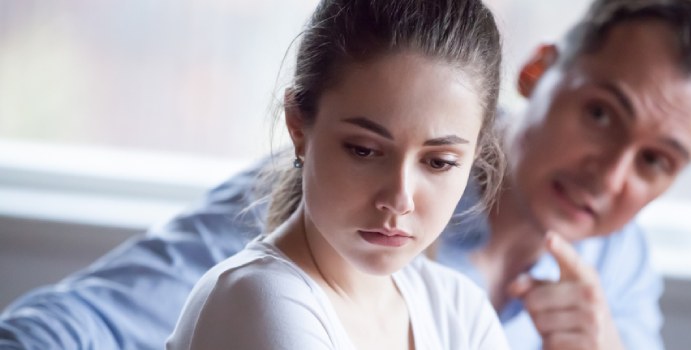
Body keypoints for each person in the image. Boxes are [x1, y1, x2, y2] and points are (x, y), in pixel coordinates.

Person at [0, 0, 691, 349]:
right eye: (601, 115)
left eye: (655, 161)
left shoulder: (617, 270)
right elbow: (74, 326)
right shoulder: (299, 219)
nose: (609, 175)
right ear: (537, 71)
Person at [167, 0, 510, 349]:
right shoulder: (258, 300)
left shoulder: (460, 312)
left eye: (439, 162)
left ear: (475, 155)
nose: (398, 199)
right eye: (364, 150)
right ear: (298, 126)